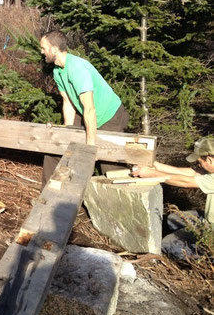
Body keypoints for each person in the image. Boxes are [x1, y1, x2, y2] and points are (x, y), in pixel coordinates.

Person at [39, 31, 129, 189]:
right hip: (88, 112)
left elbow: (90, 109)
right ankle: (49, 194)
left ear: (54, 49)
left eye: (43, 48)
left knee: (109, 164)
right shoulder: (58, 71)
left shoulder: (77, 69)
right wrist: (68, 131)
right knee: (55, 148)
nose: (42, 52)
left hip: (110, 116)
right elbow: (68, 102)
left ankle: (119, 203)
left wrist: (90, 146)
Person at [132, 136, 214, 258]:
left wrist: (151, 174)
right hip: (207, 218)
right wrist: (156, 165)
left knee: (166, 245)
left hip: (211, 230)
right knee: (172, 219)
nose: (199, 166)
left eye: (199, 162)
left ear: (209, 159)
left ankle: (204, 256)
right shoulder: (211, 168)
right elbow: (191, 173)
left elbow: (185, 182)